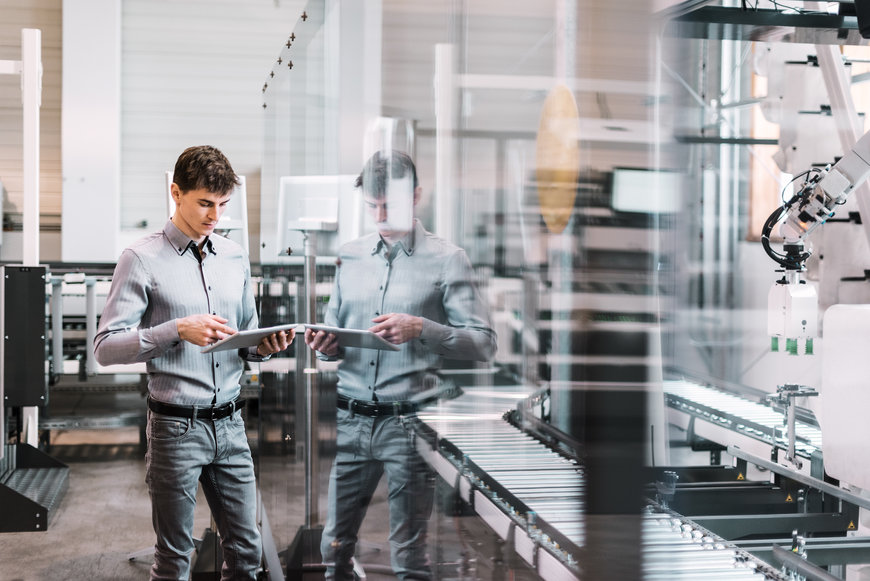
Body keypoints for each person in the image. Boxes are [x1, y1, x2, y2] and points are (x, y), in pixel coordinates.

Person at [94, 145, 294, 581]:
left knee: (246, 552)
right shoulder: (140, 259)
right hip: (175, 428)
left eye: (223, 204)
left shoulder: (235, 256)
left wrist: (264, 346)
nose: (214, 216)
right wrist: (175, 330)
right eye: (205, 203)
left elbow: (243, 338)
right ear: (176, 193)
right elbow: (105, 348)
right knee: (174, 559)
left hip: (231, 424)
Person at [304, 150, 497, 580]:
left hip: (409, 426)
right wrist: (324, 345)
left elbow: (484, 344)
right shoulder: (350, 256)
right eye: (372, 205)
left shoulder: (449, 259)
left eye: (388, 203)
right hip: (351, 420)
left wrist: (422, 328)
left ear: (416, 196)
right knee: (332, 546)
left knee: (408, 556)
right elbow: (333, 331)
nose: (380, 214)